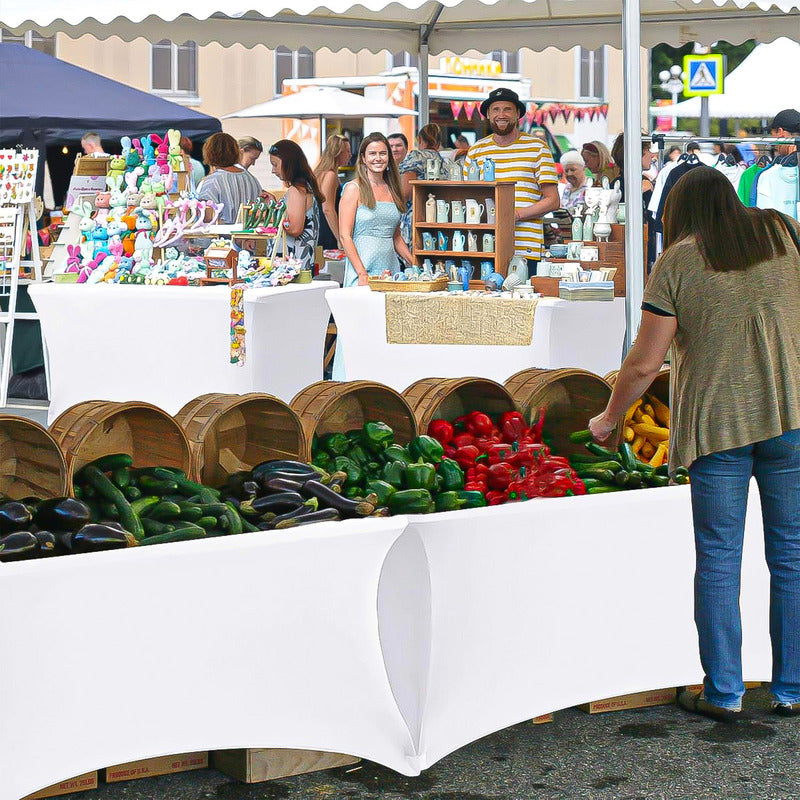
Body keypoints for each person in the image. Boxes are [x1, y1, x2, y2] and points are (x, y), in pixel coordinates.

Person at [588, 167, 800, 723]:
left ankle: (725, 692)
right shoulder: (783, 232)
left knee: (719, 559)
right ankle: (793, 689)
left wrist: (610, 417)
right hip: (790, 417)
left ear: (677, 212)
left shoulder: (678, 259)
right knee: (792, 556)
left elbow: (643, 363)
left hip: (718, 428)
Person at [463, 88, 559, 260]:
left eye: (507, 109)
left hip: (526, 247)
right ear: (488, 115)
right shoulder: (476, 150)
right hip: (485, 246)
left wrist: (515, 215)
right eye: (496, 109)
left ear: (518, 114)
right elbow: (467, 196)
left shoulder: (538, 148)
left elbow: (553, 200)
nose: (501, 114)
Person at [339, 132, 413, 287]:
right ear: (364, 158)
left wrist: (414, 262)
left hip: (389, 270)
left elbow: (396, 237)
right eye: (372, 154)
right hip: (362, 269)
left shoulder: (393, 189)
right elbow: (345, 236)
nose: (378, 158)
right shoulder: (354, 188)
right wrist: (361, 273)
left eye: (383, 153)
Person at [268, 139, 323, 270]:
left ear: (288, 163)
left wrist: (271, 217)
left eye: (275, 165)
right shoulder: (305, 188)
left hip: (290, 266)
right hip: (301, 262)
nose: (273, 170)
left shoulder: (296, 190)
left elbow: (294, 228)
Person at [398, 123, 446, 247]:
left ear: (419, 139)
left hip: (416, 214)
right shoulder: (443, 161)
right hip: (439, 215)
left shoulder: (416, 157)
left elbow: (406, 193)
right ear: (438, 143)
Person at [197, 132, 262, 224]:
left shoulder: (212, 181)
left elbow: (207, 217)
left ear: (209, 153)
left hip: (220, 237)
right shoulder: (252, 180)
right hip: (248, 236)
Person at [313, 133, 351, 250]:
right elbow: (328, 209)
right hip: (327, 230)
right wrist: (340, 238)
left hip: (319, 227)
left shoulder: (320, 172)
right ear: (338, 152)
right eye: (348, 151)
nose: (350, 155)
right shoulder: (330, 175)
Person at [610, 132, 655, 203]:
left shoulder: (642, 180)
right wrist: (639, 191)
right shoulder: (618, 185)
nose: (652, 155)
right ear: (636, 153)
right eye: (648, 150)